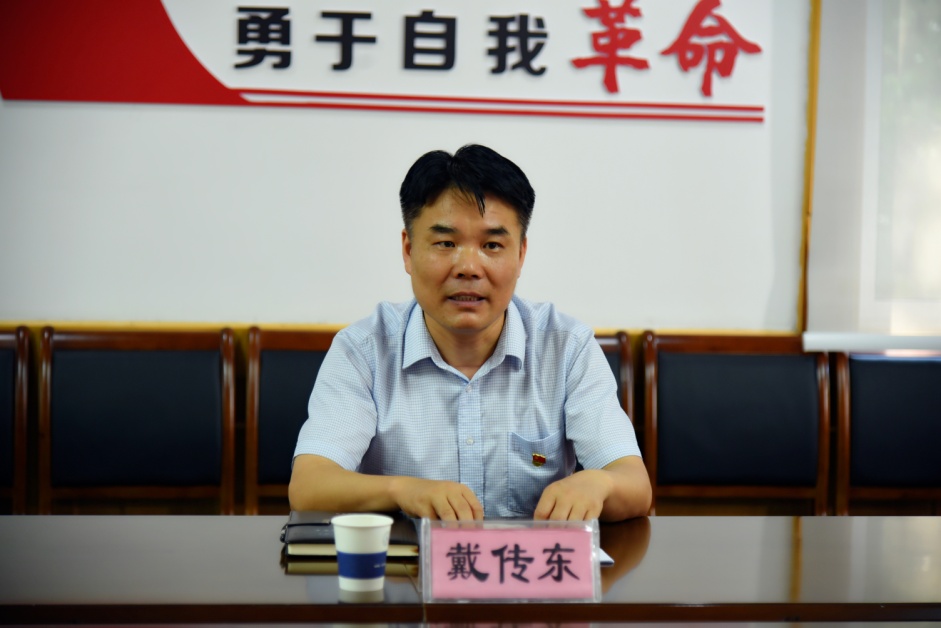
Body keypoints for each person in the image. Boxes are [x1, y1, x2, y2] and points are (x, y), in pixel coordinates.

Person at [289, 144, 651, 521]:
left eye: (492, 245)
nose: (468, 267)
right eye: (446, 243)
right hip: (407, 561)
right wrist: (402, 490)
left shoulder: (566, 348)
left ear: (521, 254)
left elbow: (634, 484)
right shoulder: (363, 351)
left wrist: (598, 483)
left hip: (525, 561)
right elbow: (309, 485)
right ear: (408, 250)